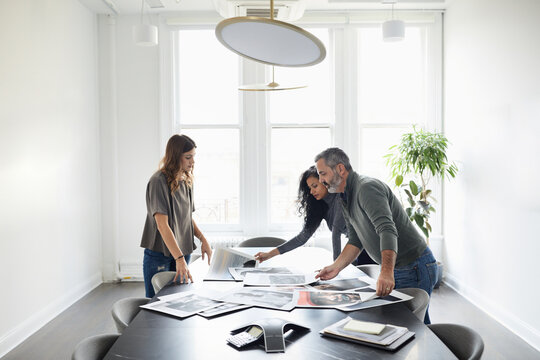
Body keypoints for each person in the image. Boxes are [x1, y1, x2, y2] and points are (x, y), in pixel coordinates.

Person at [314, 147, 438, 324]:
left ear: (340, 169)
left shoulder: (367, 188)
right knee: (403, 328)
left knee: (415, 329)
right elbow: (356, 239)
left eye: (323, 174)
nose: (321, 180)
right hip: (400, 266)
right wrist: (336, 267)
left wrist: (386, 272)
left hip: (413, 266)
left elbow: (387, 229)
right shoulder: (344, 196)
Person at [140, 134, 212, 298]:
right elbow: (162, 225)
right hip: (160, 254)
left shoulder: (187, 180)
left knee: (179, 300)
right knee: (155, 304)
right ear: (174, 156)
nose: (192, 162)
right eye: (188, 157)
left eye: (193, 157)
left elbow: (186, 218)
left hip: (182, 251)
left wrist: (203, 238)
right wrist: (179, 259)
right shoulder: (158, 181)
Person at [254, 166, 374, 264]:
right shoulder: (320, 206)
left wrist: (336, 267)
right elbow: (302, 237)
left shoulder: (340, 196)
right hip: (358, 247)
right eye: (309, 188)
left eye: (315, 186)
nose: (311, 192)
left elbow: (336, 232)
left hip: (371, 244)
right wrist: (270, 254)